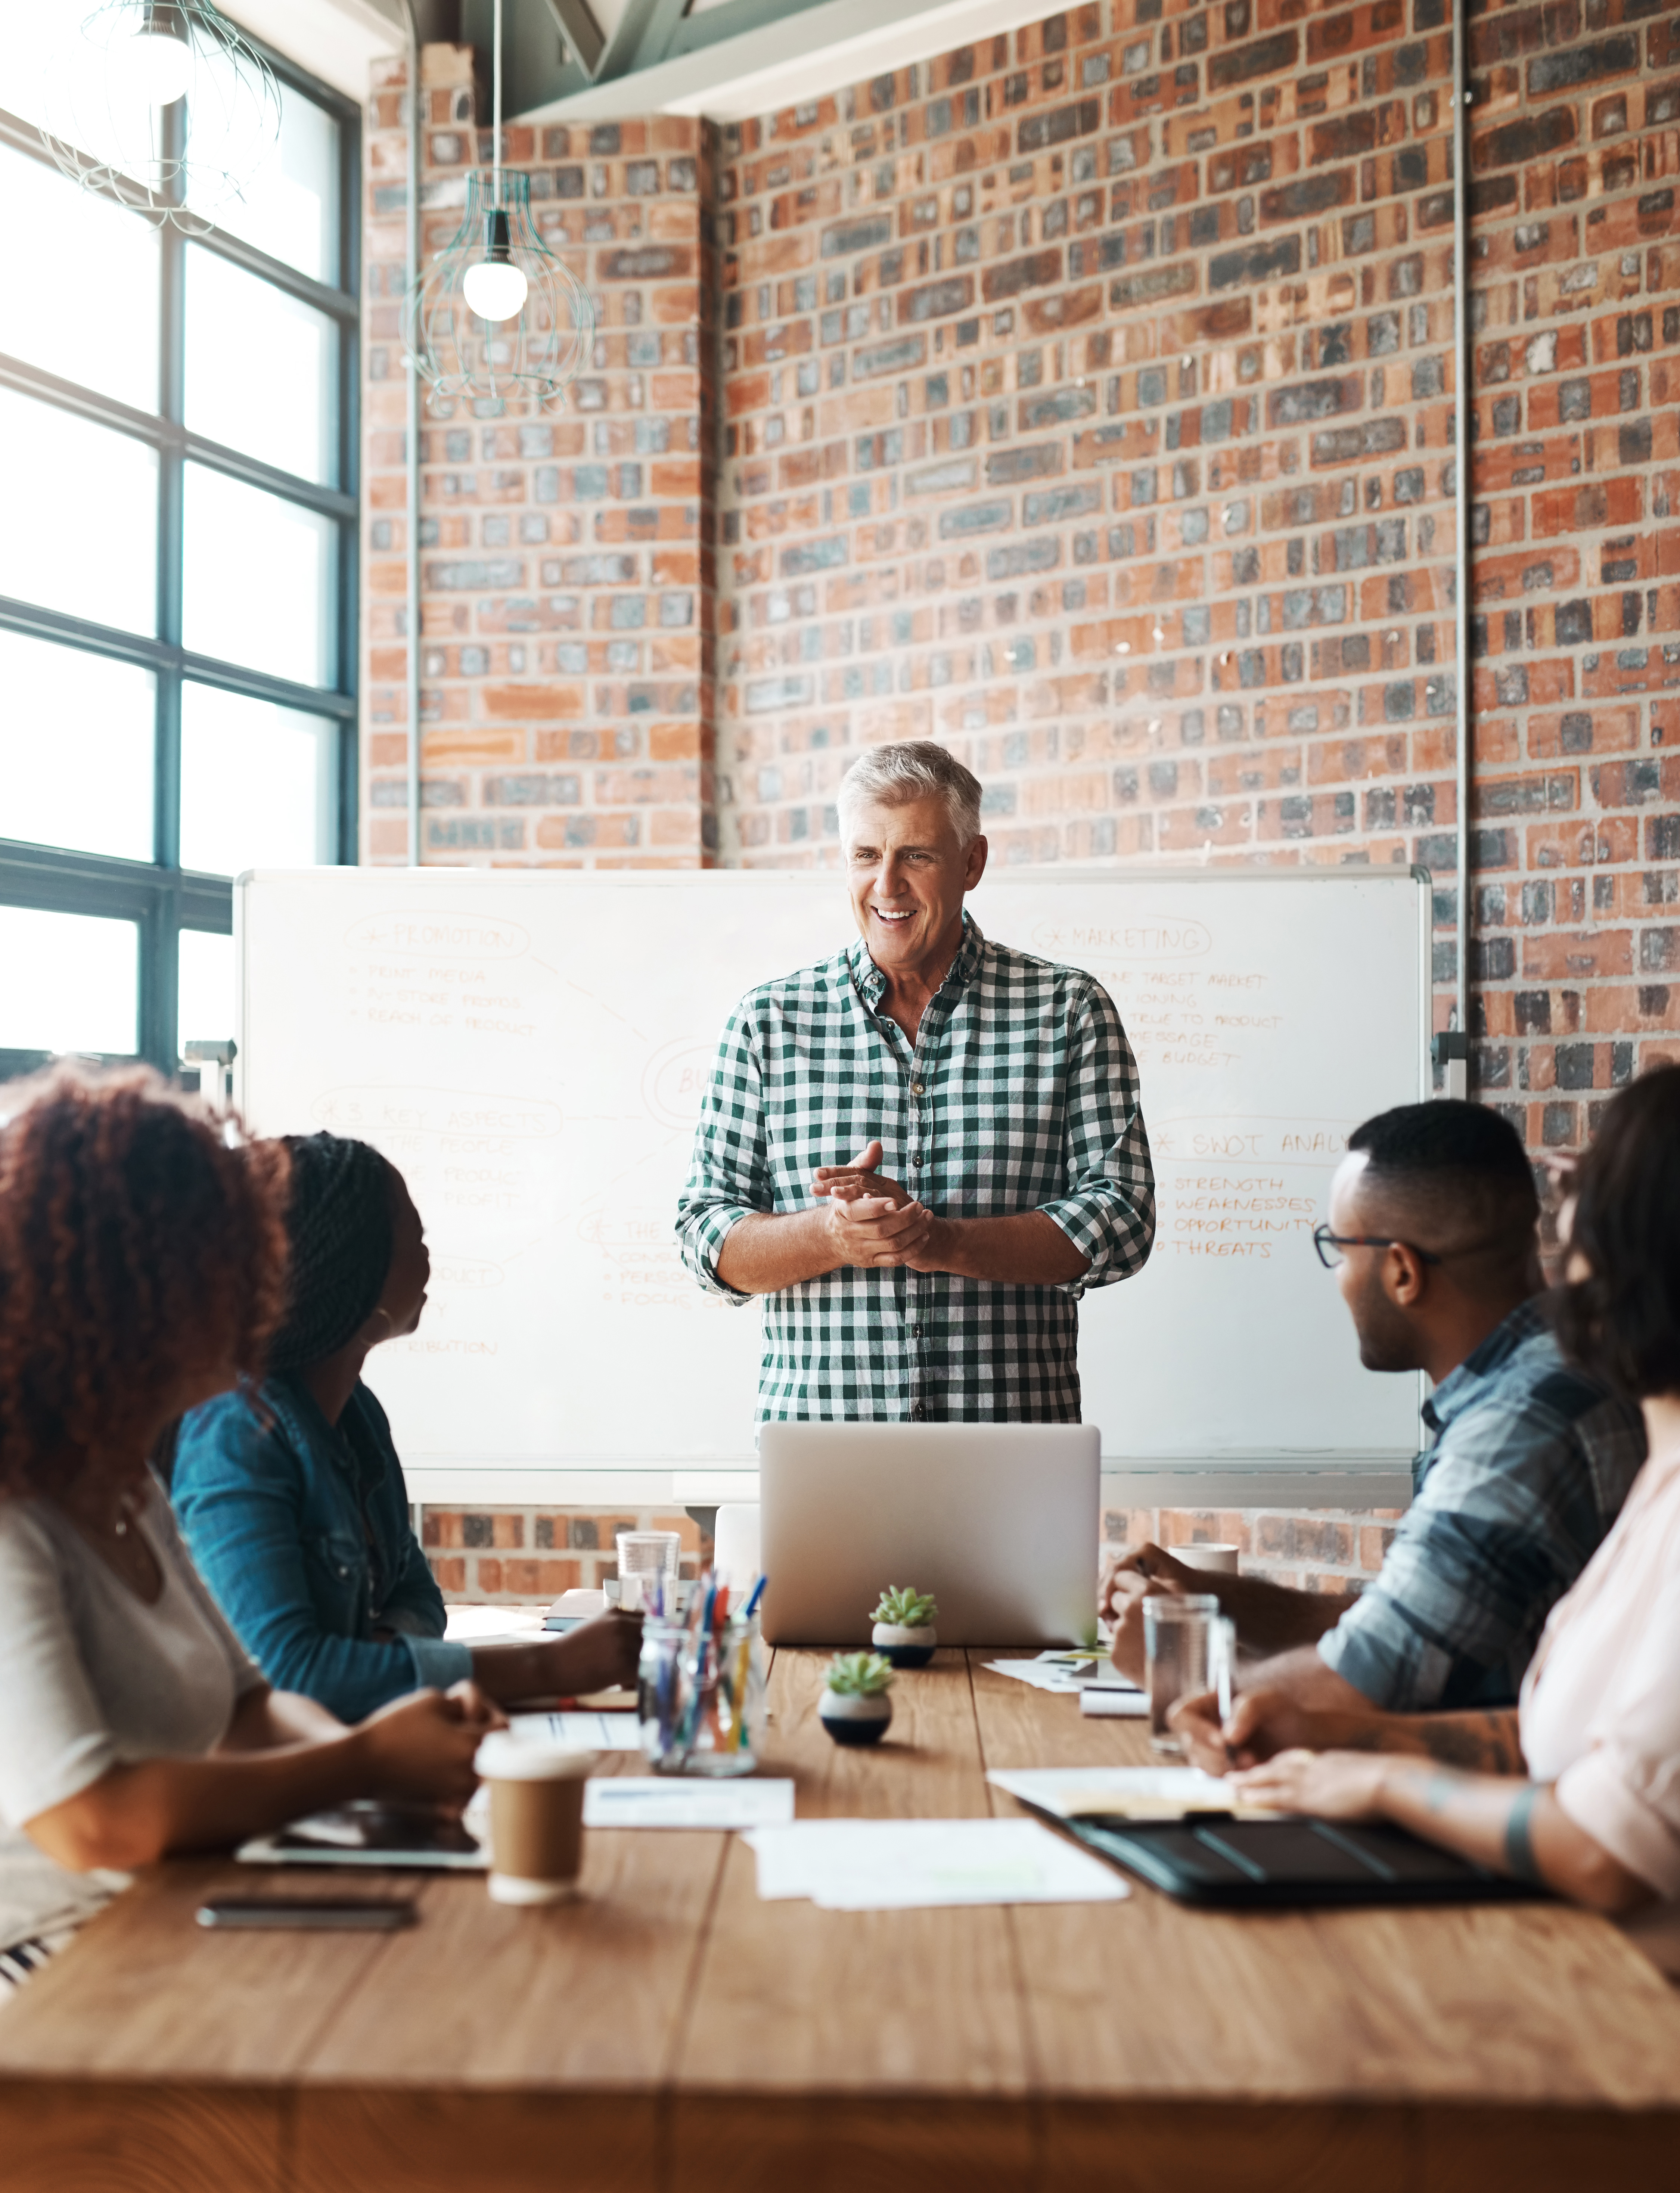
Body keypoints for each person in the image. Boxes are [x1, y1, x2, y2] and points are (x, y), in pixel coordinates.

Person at [0, 1069, 498, 1990]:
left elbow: (248, 1708)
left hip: (162, 1920)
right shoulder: (15, 1521)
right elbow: (95, 1821)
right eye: (227, 1269)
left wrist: (380, 1770)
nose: (262, 1295)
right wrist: (360, 1765)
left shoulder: (121, 1487)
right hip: (47, 1977)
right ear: (123, 1300)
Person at [1175, 1065, 1680, 1971]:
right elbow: (1553, 1734)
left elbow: (1606, 1843)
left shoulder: (1539, 1422)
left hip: (1618, 1999)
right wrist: (1339, 1745)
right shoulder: (1658, 1468)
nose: (1559, 1284)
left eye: (1581, 1226)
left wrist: (1379, 1774)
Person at [1104, 1102, 1643, 1710]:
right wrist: (1215, 1600)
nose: (1336, 1273)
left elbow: (1364, 1686)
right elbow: (1411, 1621)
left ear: (1403, 1272)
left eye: (1338, 1246)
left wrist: (1179, 1664)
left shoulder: (1516, 1428)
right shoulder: (1551, 1374)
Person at [675, 740, 1155, 1421]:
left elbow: (1124, 1219)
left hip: (1010, 1458)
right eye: (867, 856)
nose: (888, 885)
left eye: (917, 856)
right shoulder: (769, 1023)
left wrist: (941, 1242)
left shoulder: (1067, 1010)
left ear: (973, 862)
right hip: (828, 1468)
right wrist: (832, 1236)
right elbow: (703, 1235)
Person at [171, 1133, 642, 1723]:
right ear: (353, 1270)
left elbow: (420, 1599)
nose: (426, 1251)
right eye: (409, 1233)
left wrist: (370, 1659)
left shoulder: (357, 1416)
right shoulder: (237, 1434)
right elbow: (294, 1677)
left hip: (366, 1755)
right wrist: (549, 1667)